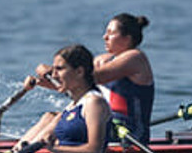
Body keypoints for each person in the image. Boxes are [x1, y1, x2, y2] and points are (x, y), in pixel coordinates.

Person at [29, 13, 154, 143]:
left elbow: (91, 78)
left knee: (60, 119)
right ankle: (17, 152)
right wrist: (41, 82)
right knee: (49, 117)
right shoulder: (102, 60)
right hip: (102, 123)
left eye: (111, 33)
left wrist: (51, 70)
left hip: (129, 134)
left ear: (127, 39)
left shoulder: (135, 58)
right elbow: (75, 84)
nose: (105, 37)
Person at [17, 44, 111, 153]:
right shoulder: (72, 105)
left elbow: (94, 150)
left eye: (59, 69)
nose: (54, 75)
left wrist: (54, 149)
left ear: (79, 72)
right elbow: (69, 145)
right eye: (54, 70)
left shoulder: (94, 103)